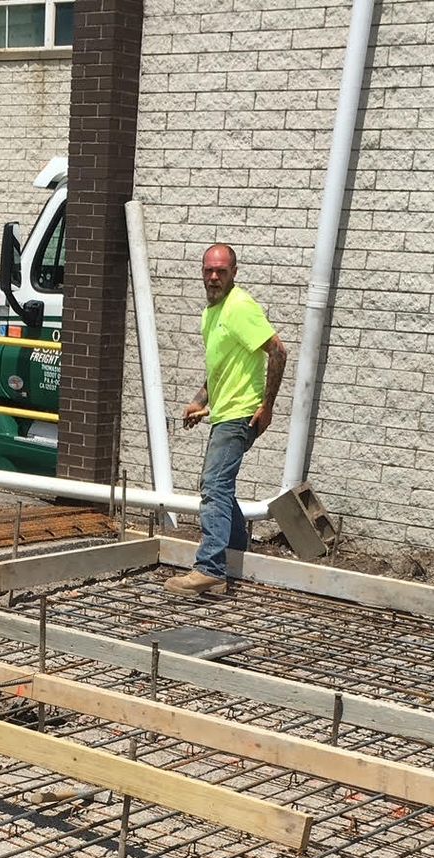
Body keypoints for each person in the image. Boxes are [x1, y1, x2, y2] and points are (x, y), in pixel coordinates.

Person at [167, 243, 287, 596]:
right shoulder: (211, 314)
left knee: (214, 485)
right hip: (224, 413)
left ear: (234, 272)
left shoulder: (240, 307)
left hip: (241, 414)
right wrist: (200, 402)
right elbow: (219, 370)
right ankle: (235, 554)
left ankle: (210, 569)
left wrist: (267, 406)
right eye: (209, 270)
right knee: (219, 485)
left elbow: (277, 350)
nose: (214, 277)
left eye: (221, 270)